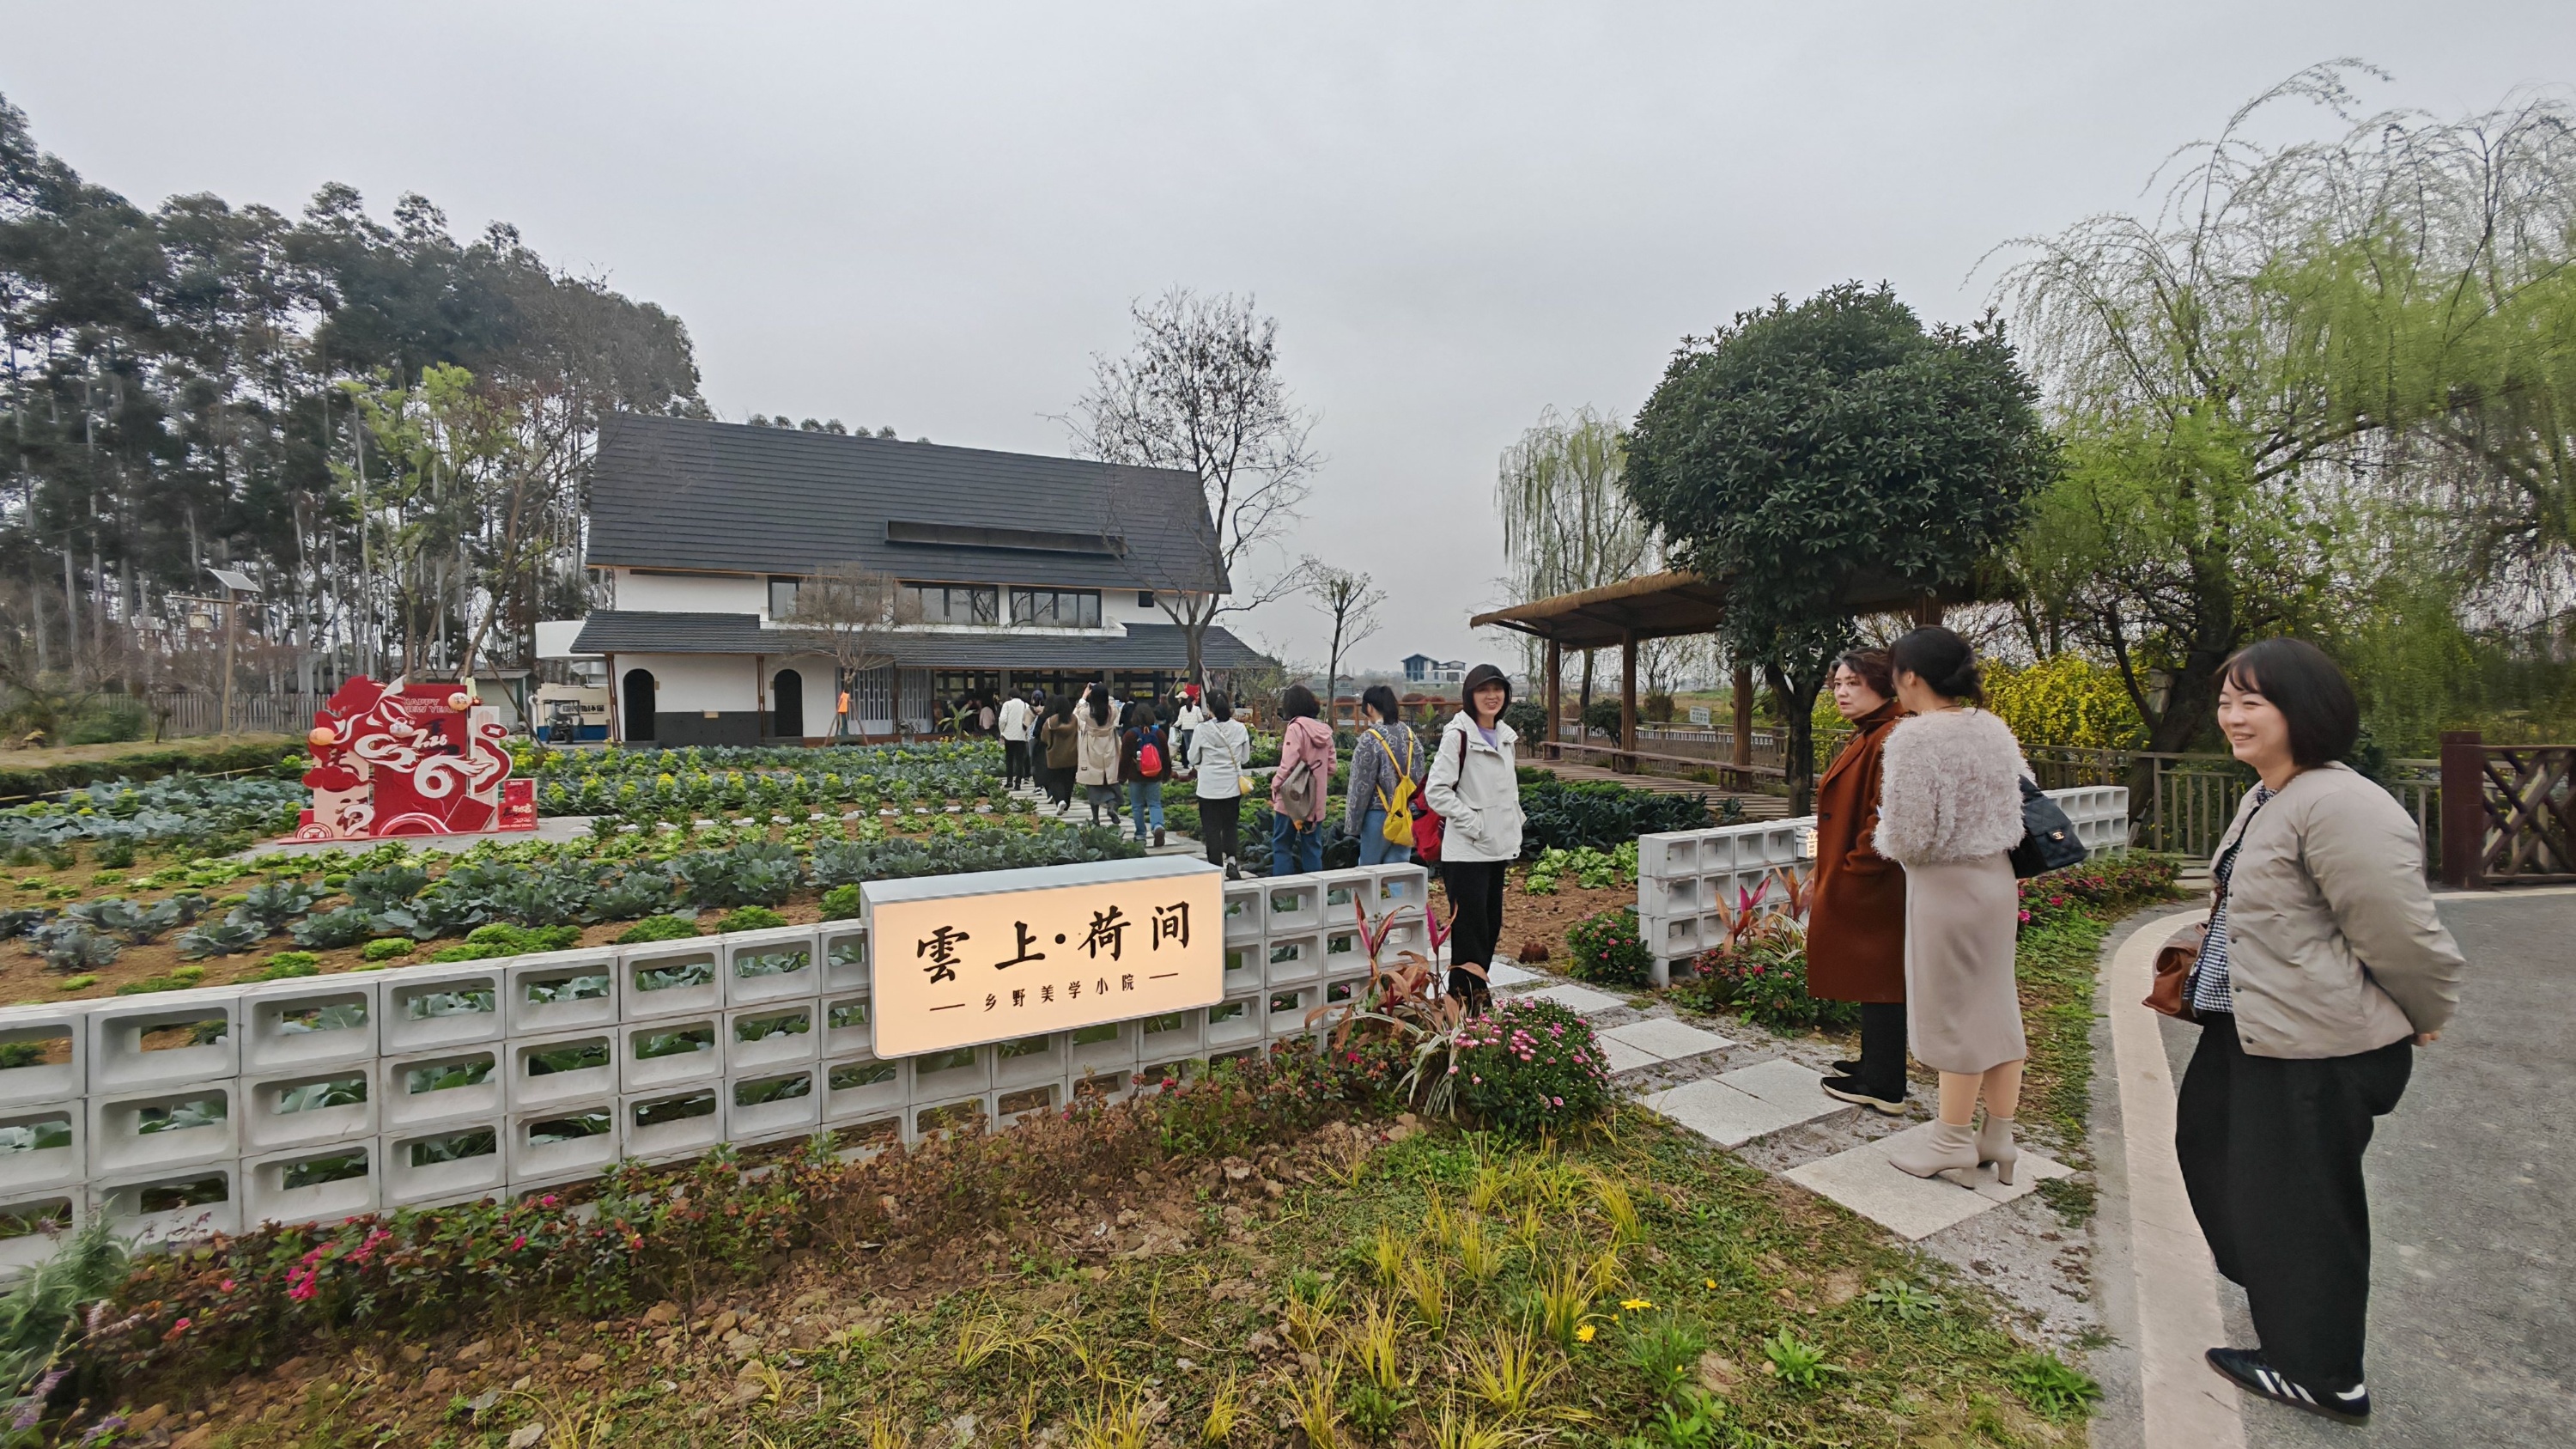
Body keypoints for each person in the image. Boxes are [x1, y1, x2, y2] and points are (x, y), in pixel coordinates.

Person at [2170, 639, 2462, 1425]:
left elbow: (2402, 932)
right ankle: (2284, 1300)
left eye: (2252, 702)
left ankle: (2324, 1371)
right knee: (2214, 1153)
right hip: (2254, 1027)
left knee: (2304, 1203)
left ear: (2305, 710)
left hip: (2317, 1045)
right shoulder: (2270, 794)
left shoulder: (2341, 805)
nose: (2232, 716)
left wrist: (2426, 1013)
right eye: (2226, 701)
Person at [1872, 626, 2031, 1184]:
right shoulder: (1992, 728)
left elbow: (1910, 836)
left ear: (1911, 676)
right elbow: (2020, 801)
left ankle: (1951, 1141)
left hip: (1946, 889)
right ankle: (1999, 1136)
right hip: (1996, 882)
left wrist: (1882, 830)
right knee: (1996, 1006)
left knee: (1954, 1012)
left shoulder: (1914, 738)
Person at [1808, 647, 1911, 1115]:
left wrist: (1854, 869)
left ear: (1884, 684)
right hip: (1865, 877)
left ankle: (1884, 1082)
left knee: (1881, 975)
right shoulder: (1871, 732)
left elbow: (1884, 818)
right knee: (1874, 976)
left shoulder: (1891, 737)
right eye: (1838, 684)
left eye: (1854, 683)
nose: (1842, 693)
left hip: (1876, 880)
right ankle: (1875, 1064)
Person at [1424, 663, 1523, 1014]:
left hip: (1496, 848)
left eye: (1498, 689)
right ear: (1470, 695)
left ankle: (1474, 995)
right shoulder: (1458, 736)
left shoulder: (1505, 736)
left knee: (1490, 926)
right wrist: (1474, 823)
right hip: (1466, 852)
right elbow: (1437, 792)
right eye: (1484, 690)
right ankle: (1465, 1000)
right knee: (1469, 929)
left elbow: (1506, 792)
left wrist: (1514, 823)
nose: (1492, 696)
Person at [1344, 685, 1423, 867]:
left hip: (1378, 815)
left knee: (1370, 872)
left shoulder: (1370, 738)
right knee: (1398, 871)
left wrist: (1352, 825)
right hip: (1405, 813)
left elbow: (1360, 786)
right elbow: (1419, 777)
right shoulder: (1410, 735)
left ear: (1369, 707)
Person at [1270, 684, 1335, 877]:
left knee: (1282, 845)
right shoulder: (1325, 731)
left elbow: (1288, 764)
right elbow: (1332, 767)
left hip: (1291, 798)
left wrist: (1275, 784)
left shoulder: (1295, 728)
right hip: (1315, 801)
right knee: (1312, 848)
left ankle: (1284, 890)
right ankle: (1314, 892)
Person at [1188, 690, 1253, 872]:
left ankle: (1216, 869)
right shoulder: (1240, 729)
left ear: (1209, 708)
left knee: (1212, 830)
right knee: (1230, 825)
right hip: (1232, 787)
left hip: (1208, 788)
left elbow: (1192, 758)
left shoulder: (1202, 730)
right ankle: (1232, 862)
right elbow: (1245, 758)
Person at [1121, 702, 1171, 846]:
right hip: (1154, 774)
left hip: (1135, 776)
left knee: (1137, 806)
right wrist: (1166, 774)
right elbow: (1165, 756)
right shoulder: (1159, 734)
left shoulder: (1130, 735)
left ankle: (1140, 835)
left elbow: (1124, 758)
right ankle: (1158, 826)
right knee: (1155, 804)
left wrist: (1121, 776)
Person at [1075, 684, 1123, 825]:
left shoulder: (1086, 714)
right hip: (1109, 749)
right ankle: (1111, 806)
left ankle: (1095, 818)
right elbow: (1113, 702)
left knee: (1093, 786)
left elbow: (1077, 711)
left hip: (1092, 750)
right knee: (1111, 783)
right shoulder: (1112, 712)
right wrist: (1103, 691)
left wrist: (1085, 696)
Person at [1038, 695, 1079, 813]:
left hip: (1054, 756)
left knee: (1055, 780)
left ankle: (1060, 800)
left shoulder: (1050, 721)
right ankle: (1066, 803)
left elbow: (1044, 738)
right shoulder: (1075, 720)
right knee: (1069, 781)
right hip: (1072, 756)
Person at [998, 689, 1034, 790]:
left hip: (1009, 736)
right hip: (1021, 736)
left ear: (1010, 696)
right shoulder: (1026, 705)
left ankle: (1009, 781)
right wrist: (1027, 734)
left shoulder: (1007, 705)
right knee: (1020, 760)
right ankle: (1018, 783)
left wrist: (1002, 731)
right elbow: (1029, 722)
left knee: (1009, 759)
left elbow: (1002, 719)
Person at [1173, 686, 1206, 769]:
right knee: (1193, 746)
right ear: (1194, 701)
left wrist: (1174, 725)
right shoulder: (1197, 709)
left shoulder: (1182, 709)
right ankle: (1192, 763)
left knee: (1187, 746)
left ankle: (1187, 762)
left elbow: (1180, 720)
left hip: (1185, 729)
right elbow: (1201, 719)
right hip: (1194, 729)